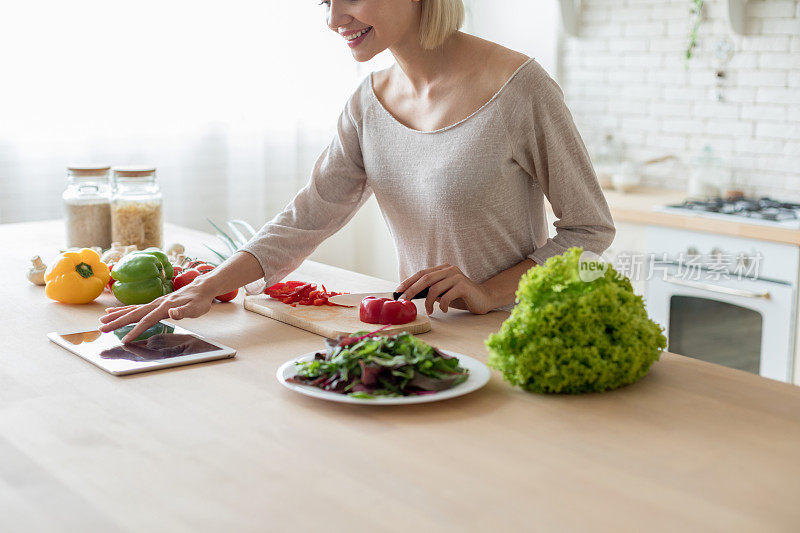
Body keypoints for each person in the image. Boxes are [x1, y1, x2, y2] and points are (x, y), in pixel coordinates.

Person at [100, 0, 615, 343]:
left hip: (517, 333)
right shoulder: (368, 102)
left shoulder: (521, 89)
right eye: (325, 0)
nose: (333, 18)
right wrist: (207, 286)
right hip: (424, 333)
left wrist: (489, 292)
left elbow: (590, 231)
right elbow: (308, 217)